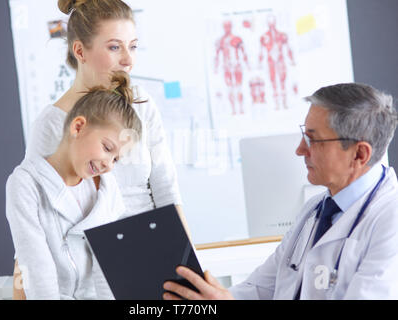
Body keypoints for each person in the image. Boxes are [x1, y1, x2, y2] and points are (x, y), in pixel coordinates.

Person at [13, 0, 190, 298]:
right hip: (92, 275)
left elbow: (166, 189)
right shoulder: (52, 123)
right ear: (80, 51)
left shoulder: (142, 105)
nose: (128, 60)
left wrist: (187, 264)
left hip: (154, 261)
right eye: (114, 47)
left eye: (132, 47)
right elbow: (34, 223)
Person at [164, 82, 398, 300]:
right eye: (303, 136)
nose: (299, 150)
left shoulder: (390, 222)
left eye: (313, 140)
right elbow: (261, 287)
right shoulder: (315, 210)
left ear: (359, 154)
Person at [7, 72, 143, 299]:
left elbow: (107, 266)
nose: (108, 165)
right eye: (107, 148)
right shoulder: (26, 184)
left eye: (116, 159)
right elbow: (35, 266)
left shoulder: (106, 191)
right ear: (78, 127)